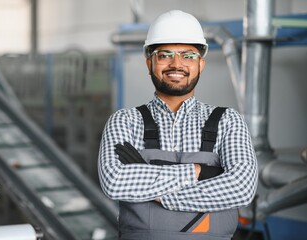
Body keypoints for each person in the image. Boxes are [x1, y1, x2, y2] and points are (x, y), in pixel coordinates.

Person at [98, 10, 258, 240]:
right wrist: (199, 172)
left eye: (188, 55)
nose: (176, 64)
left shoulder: (227, 121)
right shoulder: (124, 121)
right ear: (149, 63)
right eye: (165, 55)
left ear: (201, 64)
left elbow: (242, 188)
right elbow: (114, 182)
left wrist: (163, 197)